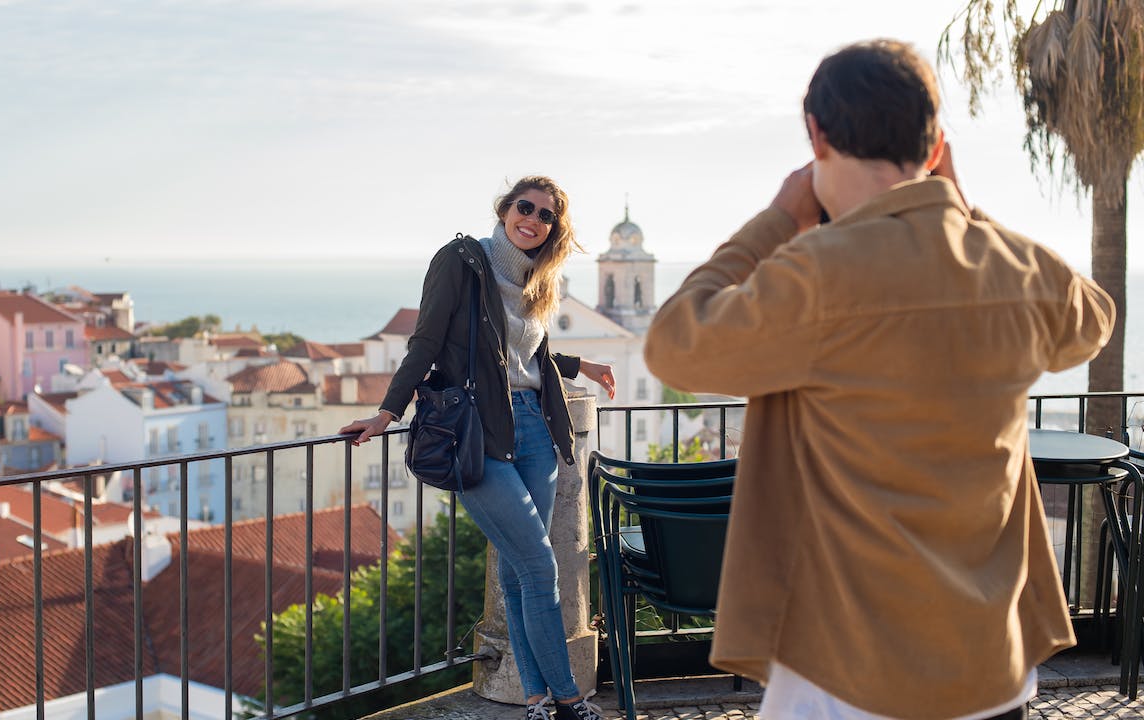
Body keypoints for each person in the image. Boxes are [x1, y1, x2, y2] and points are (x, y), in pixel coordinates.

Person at [644, 40, 1114, 720]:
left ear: (818, 136)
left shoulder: (818, 273)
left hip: (851, 675)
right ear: (935, 146)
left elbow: (674, 343)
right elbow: (1092, 317)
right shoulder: (1015, 273)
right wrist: (964, 213)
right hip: (990, 670)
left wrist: (778, 219)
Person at [341, 175, 615, 720]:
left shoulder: (538, 279)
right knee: (540, 565)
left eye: (546, 216)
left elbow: (520, 358)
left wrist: (579, 365)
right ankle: (568, 699)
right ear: (505, 207)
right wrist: (388, 412)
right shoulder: (462, 260)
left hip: (536, 427)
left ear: (553, 230)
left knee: (519, 573)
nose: (532, 219)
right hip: (478, 433)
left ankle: (534, 699)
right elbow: (428, 343)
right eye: (525, 207)